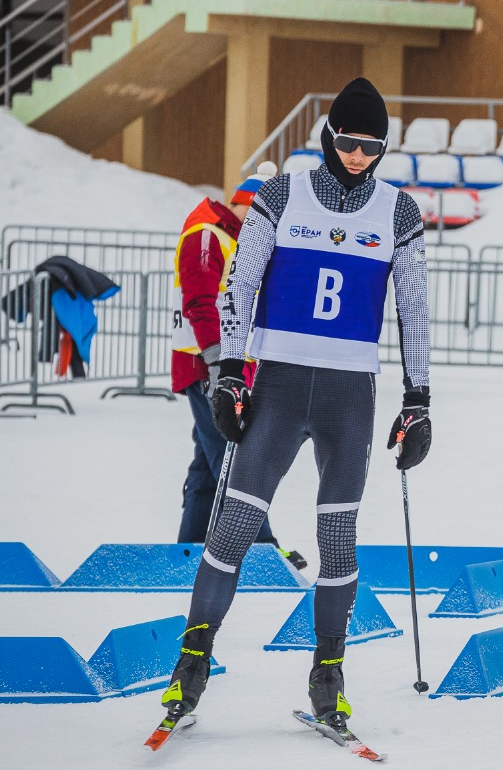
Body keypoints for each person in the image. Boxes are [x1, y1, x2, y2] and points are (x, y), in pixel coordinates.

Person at [161, 78, 434, 730]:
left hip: (350, 397)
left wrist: (418, 397)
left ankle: (327, 674)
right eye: (348, 142)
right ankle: (192, 663)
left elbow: (414, 307)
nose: (359, 156)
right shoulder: (283, 194)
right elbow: (241, 281)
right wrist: (229, 373)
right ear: (328, 136)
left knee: (338, 538)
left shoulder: (398, 212)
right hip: (279, 386)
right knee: (233, 523)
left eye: (372, 146)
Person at [169, 164, 305, 571]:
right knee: (235, 460)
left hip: (220, 365)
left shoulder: (229, 235)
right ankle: (264, 551)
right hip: (206, 364)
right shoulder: (208, 233)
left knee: (208, 466)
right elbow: (201, 301)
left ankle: (187, 549)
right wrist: (217, 366)